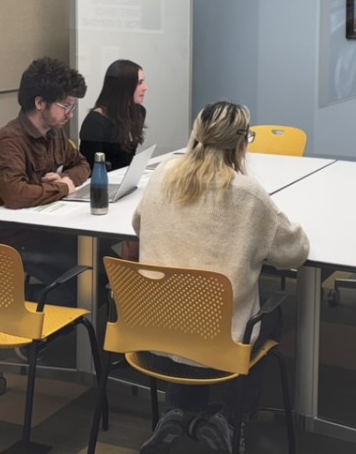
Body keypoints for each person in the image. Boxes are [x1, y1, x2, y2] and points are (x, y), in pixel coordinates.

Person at [131, 101, 310, 454]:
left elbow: (138, 224)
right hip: (219, 348)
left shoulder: (162, 175)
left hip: (150, 337)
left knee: (185, 306)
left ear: (195, 135)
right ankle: (230, 419)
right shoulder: (248, 193)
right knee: (271, 315)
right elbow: (294, 253)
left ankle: (179, 411)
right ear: (242, 143)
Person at [0, 57, 90, 302]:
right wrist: (60, 187)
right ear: (40, 102)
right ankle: (15, 307)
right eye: (65, 107)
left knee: (104, 259)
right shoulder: (8, 141)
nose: (70, 115)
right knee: (87, 272)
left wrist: (65, 178)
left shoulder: (55, 134)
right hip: (21, 240)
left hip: (52, 229)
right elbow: (16, 195)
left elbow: (82, 164)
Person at [79, 59, 148, 171]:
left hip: (125, 178)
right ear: (124, 87)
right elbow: (89, 166)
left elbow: (128, 158)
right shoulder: (95, 122)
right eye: (139, 83)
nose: (145, 88)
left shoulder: (139, 112)